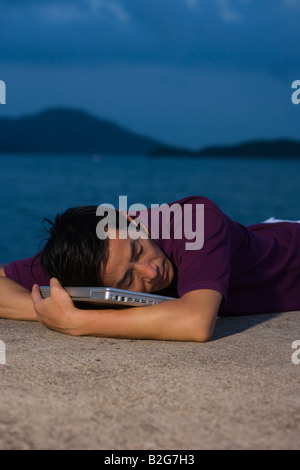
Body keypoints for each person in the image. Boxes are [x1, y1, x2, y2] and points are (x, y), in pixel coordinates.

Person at [0, 195, 299, 342]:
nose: (152, 272)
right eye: (128, 278)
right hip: (250, 239)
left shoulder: (198, 221)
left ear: (130, 219)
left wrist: (78, 321)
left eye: (139, 249)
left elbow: (196, 322)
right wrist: (49, 307)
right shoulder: (85, 256)